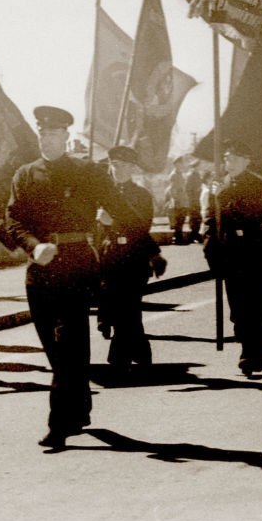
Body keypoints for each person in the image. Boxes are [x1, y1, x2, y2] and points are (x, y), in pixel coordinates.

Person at [5, 105, 123, 449]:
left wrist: (115, 222)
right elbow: (12, 220)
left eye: (54, 133)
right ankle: (80, 401)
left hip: (76, 264)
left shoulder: (88, 171)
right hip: (40, 269)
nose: (47, 139)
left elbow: (120, 207)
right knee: (55, 349)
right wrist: (32, 245)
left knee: (69, 343)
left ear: (66, 137)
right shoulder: (25, 175)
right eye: (42, 133)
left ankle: (60, 424)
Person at [204, 140, 262, 377]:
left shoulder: (255, 184)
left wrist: (222, 196)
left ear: (247, 161)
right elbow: (211, 216)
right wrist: (209, 245)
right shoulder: (220, 184)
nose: (230, 161)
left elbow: (253, 214)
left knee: (254, 305)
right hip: (229, 252)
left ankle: (250, 354)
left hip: (254, 250)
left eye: (236, 158)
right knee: (237, 308)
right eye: (228, 157)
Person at [96, 145, 165, 374]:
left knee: (129, 308)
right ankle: (141, 350)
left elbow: (141, 227)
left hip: (134, 257)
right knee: (123, 309)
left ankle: (120, 357)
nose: (118, 170)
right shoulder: (102, 194)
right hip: (110, 257)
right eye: (114, 165)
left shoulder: (142, 195)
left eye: (123, 165)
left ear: (133, 168)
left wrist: (111, 222)